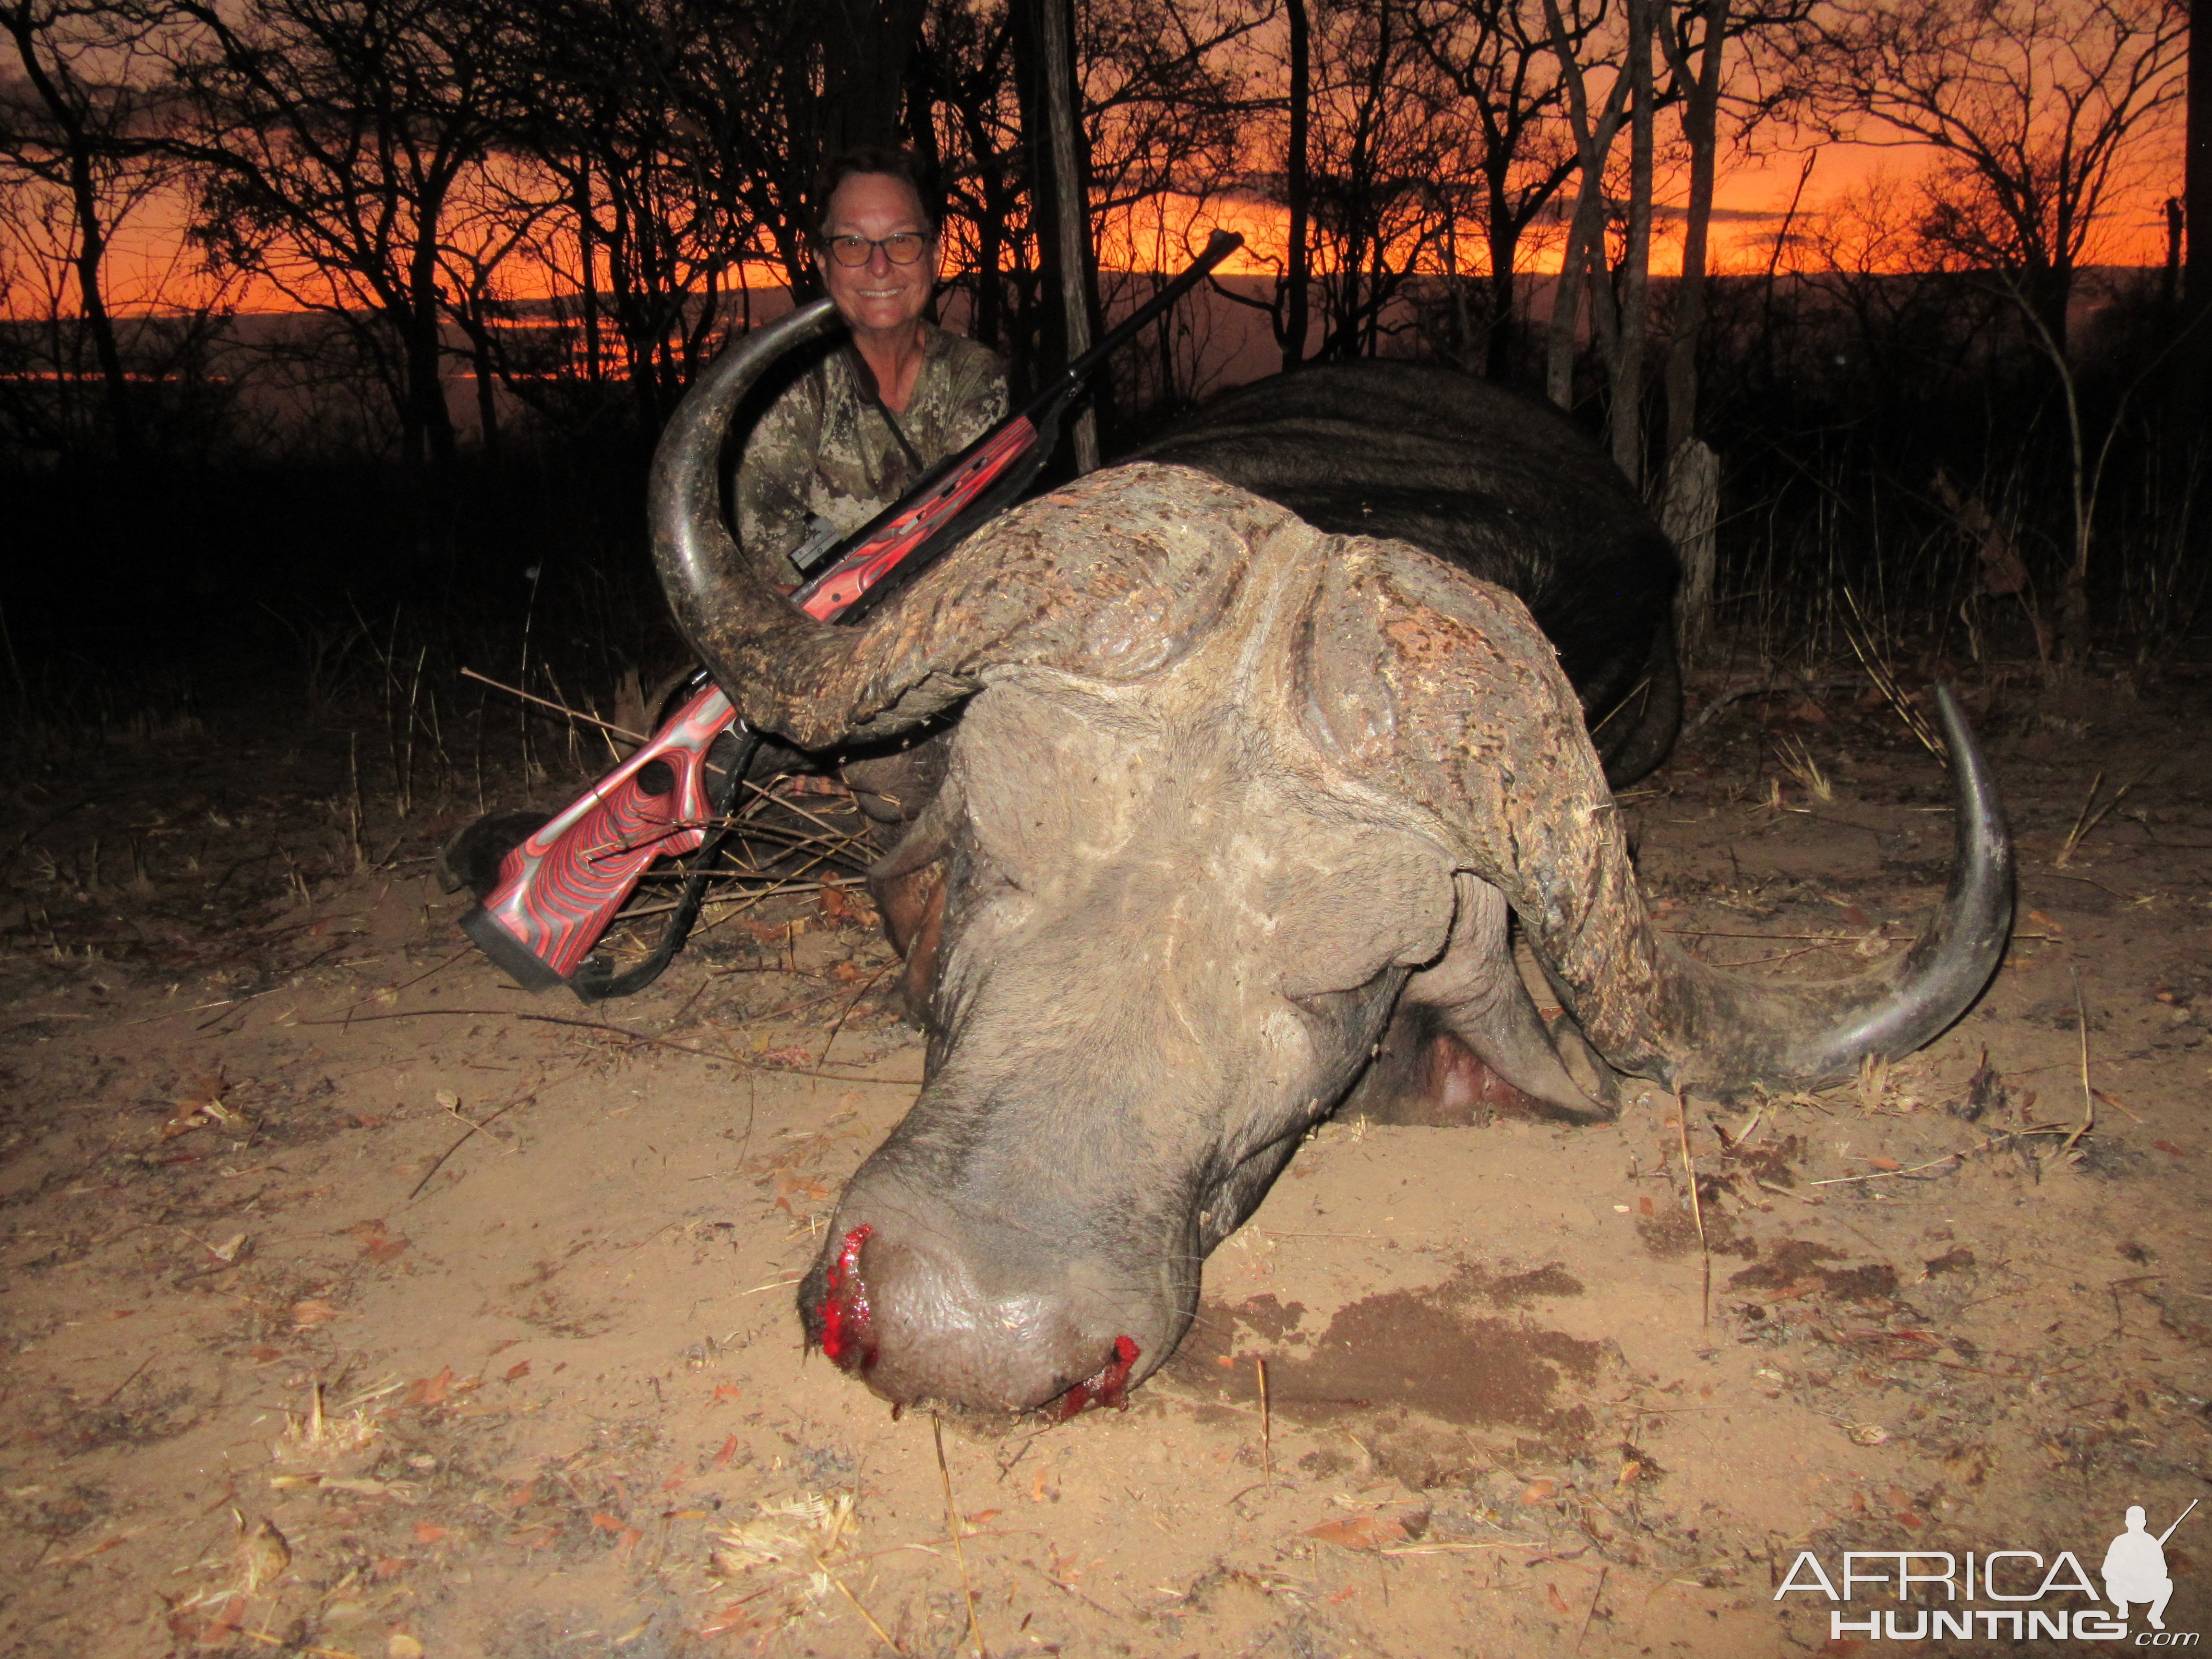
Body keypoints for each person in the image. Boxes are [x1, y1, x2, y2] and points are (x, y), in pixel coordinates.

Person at [736, 145, 1008, 585]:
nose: (879, 267)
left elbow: (976, 552)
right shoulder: (788, 382)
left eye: (901, 240)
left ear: (934, 256)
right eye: (853, 243)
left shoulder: (972, 375)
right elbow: (773, 574)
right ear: (823, 263)